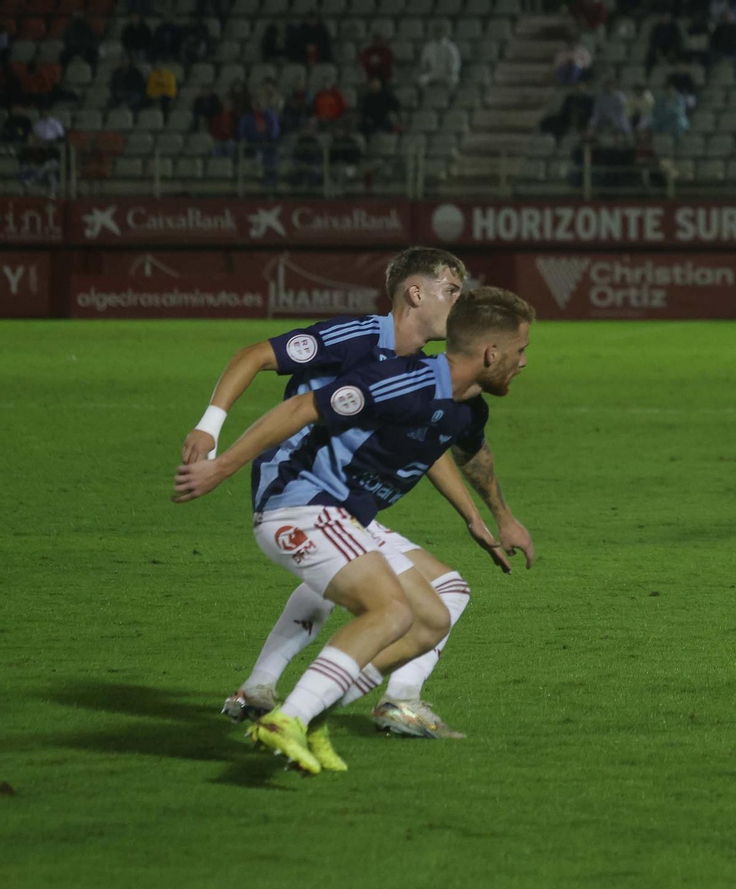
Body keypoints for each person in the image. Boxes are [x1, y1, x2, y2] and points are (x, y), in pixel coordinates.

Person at [173, 287, 535, 772]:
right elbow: (303, 409)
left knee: (432, 617)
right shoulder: (399, 382)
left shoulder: (468, 406)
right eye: (520, 351)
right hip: (303, 506)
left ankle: (314, 712)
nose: (524, 362)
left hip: (346, 516)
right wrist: (222, 467)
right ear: (491, 353)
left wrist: (499, 517)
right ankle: (289, 719)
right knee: (390, 610)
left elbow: (471, 453)